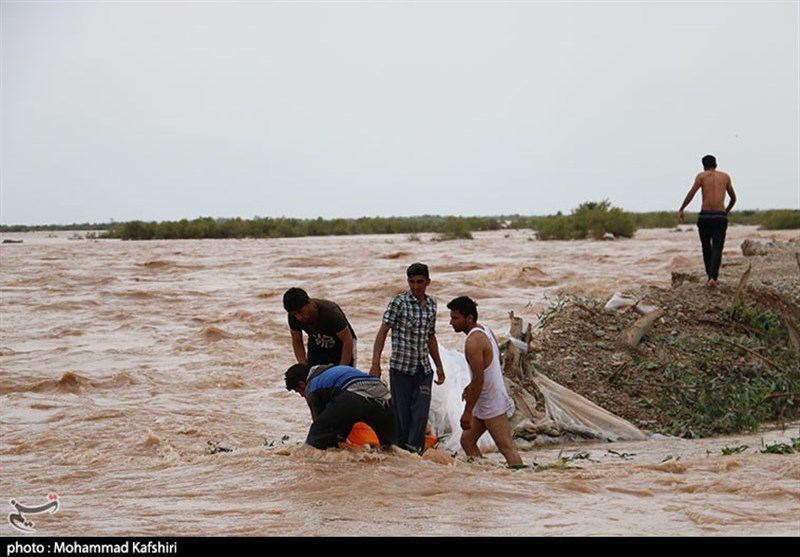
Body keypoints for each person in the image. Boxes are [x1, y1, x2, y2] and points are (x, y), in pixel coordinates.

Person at [369, 262, 445, 454]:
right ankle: (402, 452)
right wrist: (375, 363)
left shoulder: (432, 305)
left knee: (420, 413)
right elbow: (383, 331)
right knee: (402, 417)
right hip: (401, 369)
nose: (416, 286)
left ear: (428, 282)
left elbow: (431, 336)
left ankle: (414, 451)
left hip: (423, 369)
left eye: (420, 282)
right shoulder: (399, 302)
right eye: (412, 282)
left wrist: (439, 366)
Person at [447, 296, 524, 468]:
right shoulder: (485, 331)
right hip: (485, 399)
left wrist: (467, 412)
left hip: (492, 403)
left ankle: (523, 482)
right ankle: (486, 475)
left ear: (469, 318)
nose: (451, 323)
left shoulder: (473, 342)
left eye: (455, 318)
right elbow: (492, 364)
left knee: (506, 448)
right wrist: (470, 386)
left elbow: (480, 379)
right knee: (467, 441)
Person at [285, 363, 395, 450]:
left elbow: (319, 423)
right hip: (385, 397)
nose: (301, 395)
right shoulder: (334, 370)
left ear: (301, 384)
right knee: (390, 448)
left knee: (314, 443)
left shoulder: (311, 386)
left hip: (355, 396)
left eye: (298, 391)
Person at [678, 154, 737, 288]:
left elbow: (691, 193)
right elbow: (733, 198)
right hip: (720, 216)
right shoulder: (725, 177)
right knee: (717, 247)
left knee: (706, 247)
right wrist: (725, 211)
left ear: (703, 165)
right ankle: (714, 278)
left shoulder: (701, 176)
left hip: (705, 216)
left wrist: (682, 208)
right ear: (716, 164)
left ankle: (709, 276)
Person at [283, 287, 357, 367]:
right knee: (311, 375)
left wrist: (342, 370)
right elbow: (297, 341)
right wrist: (304, 367)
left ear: (309, 303)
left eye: (300, 312)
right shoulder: (293, 317)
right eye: (294, 314)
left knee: (343, 375)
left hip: (342, 344)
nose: (299, 317)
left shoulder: (331, 313)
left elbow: (347, 341)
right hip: (317, 342)